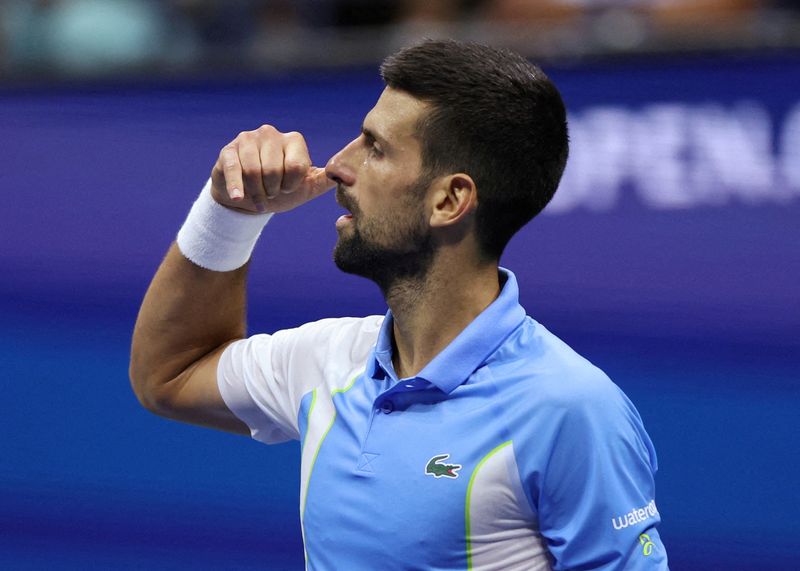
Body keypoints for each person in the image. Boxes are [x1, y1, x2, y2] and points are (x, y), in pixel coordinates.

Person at [130, 39, 669, 570]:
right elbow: (170, 375)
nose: (338, 165)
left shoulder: (569, 408)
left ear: (449, 200)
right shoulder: (328, 360)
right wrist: (231, 212)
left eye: (375, 147)